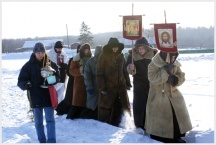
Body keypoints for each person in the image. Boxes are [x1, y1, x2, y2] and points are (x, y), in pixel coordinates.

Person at [145, 50, 192, 143]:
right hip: (158, 95)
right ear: (165, 55)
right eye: (172, 57)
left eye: (175, 57)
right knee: (163, 115)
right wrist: (165, 71)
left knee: (177, 112)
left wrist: (176, 79)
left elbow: (181, 75)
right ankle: (163, 138)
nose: (173, 59)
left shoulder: (175, 64)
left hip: (173, 94)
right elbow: (152, 78)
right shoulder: (153, 64)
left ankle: (177, 136)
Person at [17, 42, 59, 143]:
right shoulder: (28, 66)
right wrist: (26, 84)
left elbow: (57, 77)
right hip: (35, 96)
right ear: (34, 53)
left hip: (48, 96)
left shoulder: (50, 63)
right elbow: (20, 81)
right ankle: (42, 141)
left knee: (50, 120)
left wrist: (50, 77)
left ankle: (52, 141)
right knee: (38, 122)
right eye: (38, 52)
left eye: (42, 52)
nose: (40, 54)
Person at [96, 37, 131, 127]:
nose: (115, 48)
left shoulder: (121, 55)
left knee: (124, 106)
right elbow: (99, 73)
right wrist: (102, 87)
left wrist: (127, 82)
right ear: (110, 47)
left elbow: (124, 70)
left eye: (116, 47)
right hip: (108, 86)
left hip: (121, 86)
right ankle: (106, 125)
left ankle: (126, 123)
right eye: (113, 47)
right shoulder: (103, 56)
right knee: (107, 108)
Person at [126, 37, 157, 135]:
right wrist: (131, 68)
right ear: (136, 48)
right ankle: (139, 125)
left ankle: (151, 124)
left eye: (142, 48)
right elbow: (127, 68)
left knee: (151, 103)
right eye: (139, 48)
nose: (141, 50)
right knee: (139, 104)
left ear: (147, 48)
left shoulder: (154, 55)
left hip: (151, 82)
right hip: (138, 83)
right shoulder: (132, 56)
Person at [66, 43, 92, 119]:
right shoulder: (76, 59)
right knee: (78, 101)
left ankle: (84, 114)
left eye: (88, 50)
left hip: (89, 82)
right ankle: (73, 115)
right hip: (79, 82)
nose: (86, 52)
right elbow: (71, 70)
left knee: (87, 100)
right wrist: (81, 70)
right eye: (85, 50)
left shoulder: (91, 58)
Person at [55, 44, 81, 115]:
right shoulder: (73, 59)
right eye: (79, 48)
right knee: (69, 98)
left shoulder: (88, 59)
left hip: (80, 82)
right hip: (72, 81)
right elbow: (69, 72)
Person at [79, 45, 103, 120]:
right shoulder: (90, 62)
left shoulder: (106, 61)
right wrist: (89, 87)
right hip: (94, 86)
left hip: (103, 86)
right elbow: (87, 76)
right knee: (92, 104)